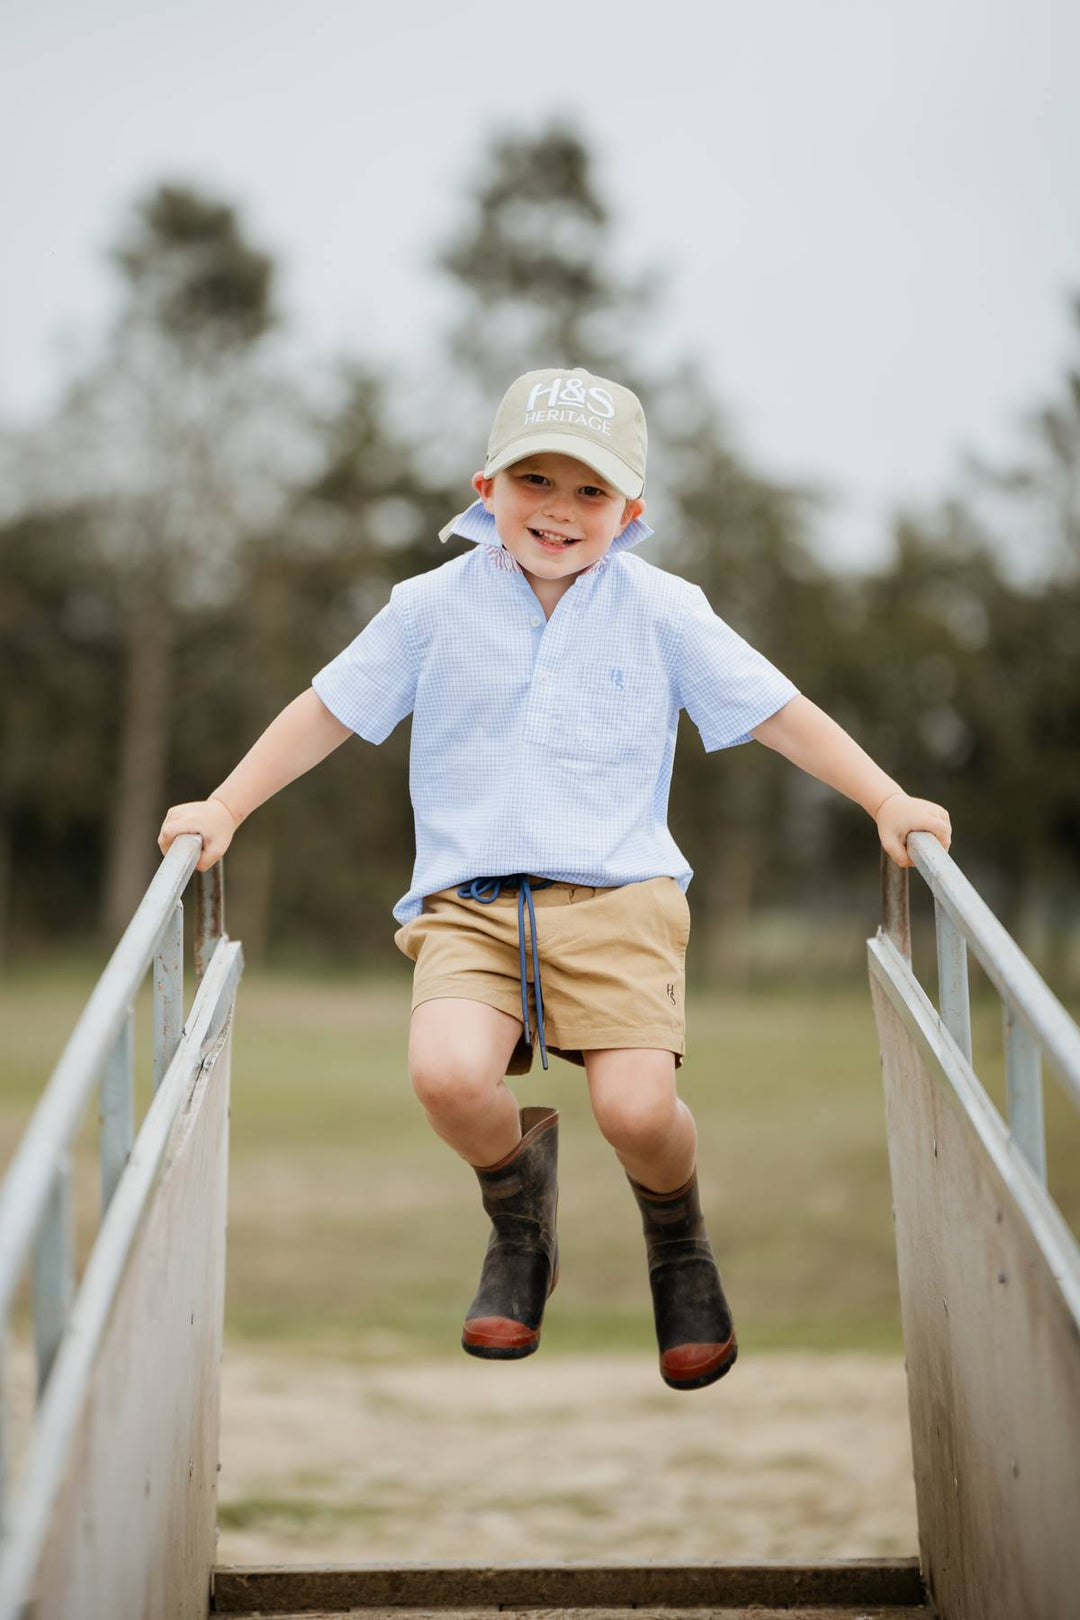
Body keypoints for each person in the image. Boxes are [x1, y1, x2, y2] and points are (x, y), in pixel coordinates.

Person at [159, 365, 952, 1392]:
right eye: (536, 481)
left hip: (620, 900)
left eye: (590, 492)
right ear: (486, 488)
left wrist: (887, 798)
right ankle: (519, 1221)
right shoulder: (428, 608)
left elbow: (777, 710)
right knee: (447, 1075)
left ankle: (679, 1240)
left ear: (631, 511)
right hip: (472, 905)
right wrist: (224, 805)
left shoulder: (663, 611)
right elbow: (326, 709)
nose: (561, 511)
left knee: (635, 1113)